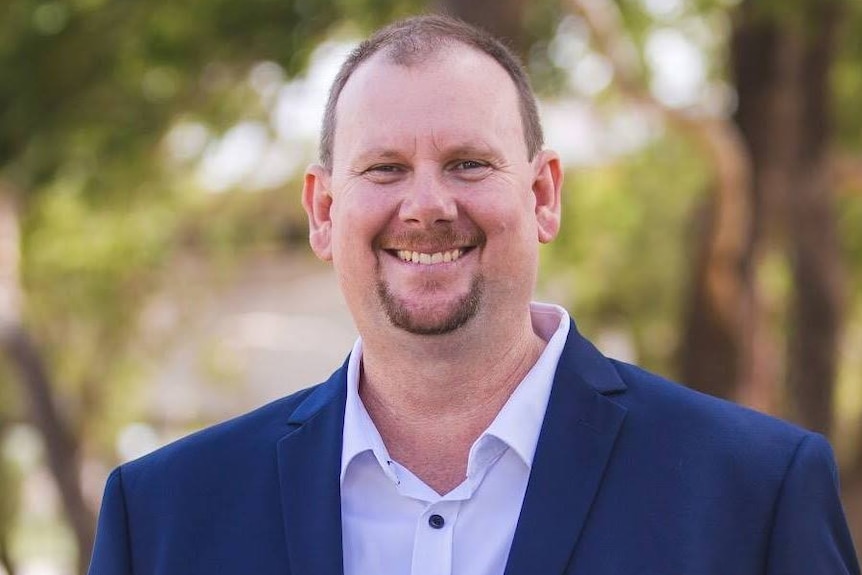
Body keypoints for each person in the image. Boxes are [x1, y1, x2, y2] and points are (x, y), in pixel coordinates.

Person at [87, 14, 860, 575]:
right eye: (384, 168)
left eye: (467, 163)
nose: (426, 205)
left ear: (544, 195)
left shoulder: (754, 494)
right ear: (323, 211)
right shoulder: (162, 516)